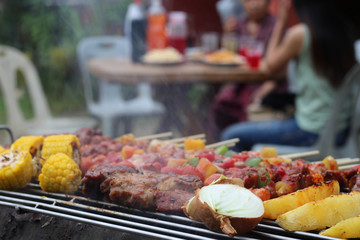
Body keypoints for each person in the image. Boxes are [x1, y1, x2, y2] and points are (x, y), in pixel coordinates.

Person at [221, 0, 358, 152]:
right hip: (339, 130)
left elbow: (269, 66)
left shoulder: (301, 34)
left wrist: (281, 21)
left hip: (311, 131)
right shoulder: (345, 32)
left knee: (231, 136)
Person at [210, 0, 291, 140]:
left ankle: (242, 149)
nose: (253, 4)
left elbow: (285, 66)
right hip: (242, 84)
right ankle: (219, 147)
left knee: (247, 107)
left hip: (269, 84)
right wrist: (227, 35)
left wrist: (267, 87)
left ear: (268, 2)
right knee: (220, 103)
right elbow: (228, 57)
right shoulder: (238, 25)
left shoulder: (277, 26)